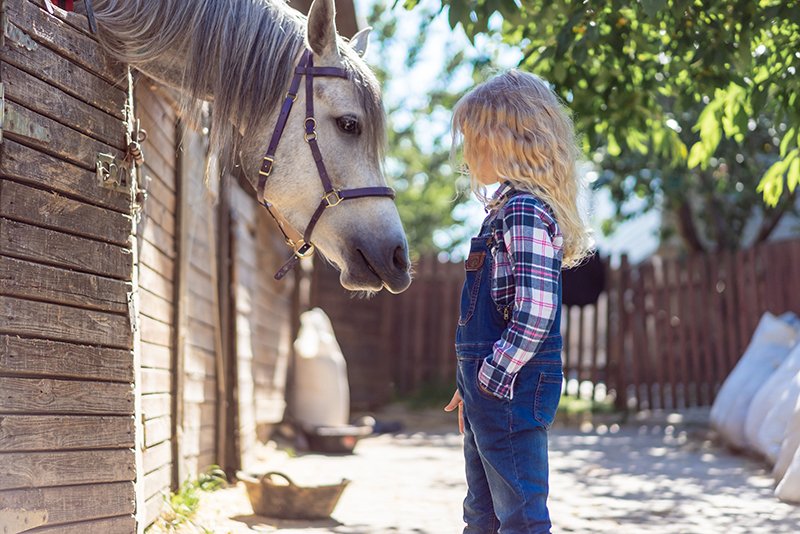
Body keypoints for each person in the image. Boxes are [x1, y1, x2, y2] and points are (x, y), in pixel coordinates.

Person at [443, 70, 592, 533]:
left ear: (504, 139)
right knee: (482, 511)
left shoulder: (524, 210)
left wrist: (491, 375)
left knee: (522, 516)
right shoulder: (503, 212)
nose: (466, 153)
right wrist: (470, 385)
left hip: (508, 383)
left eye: (472, 138)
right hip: (490, 386)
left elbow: (536, 309)